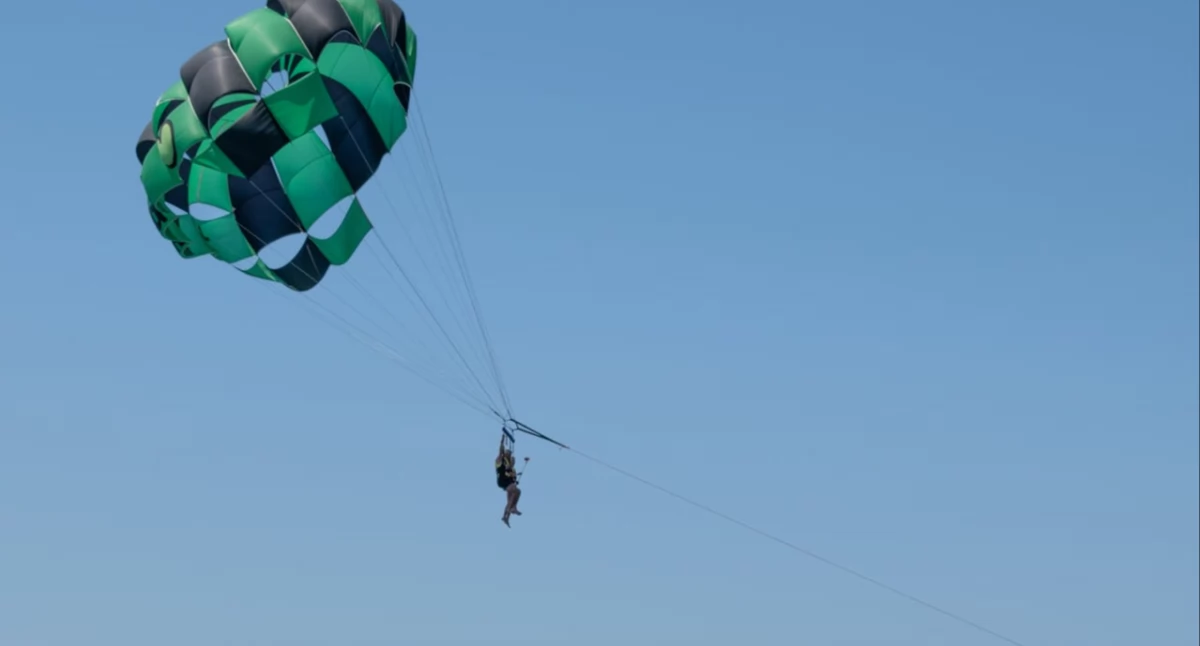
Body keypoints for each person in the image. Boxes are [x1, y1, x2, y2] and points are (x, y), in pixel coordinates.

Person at [496, 433, 522, 526]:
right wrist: (502, 439)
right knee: (517, 491)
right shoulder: (500, 460)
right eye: (507, 453)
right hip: (502, 481)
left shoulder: (511, 465)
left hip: (508, 483)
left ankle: (505, 517)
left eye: (509, 454)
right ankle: (513, 508)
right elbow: (501, 451)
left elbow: (512, 476)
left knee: (512, 497)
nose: (509, 454)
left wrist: (515, 475)